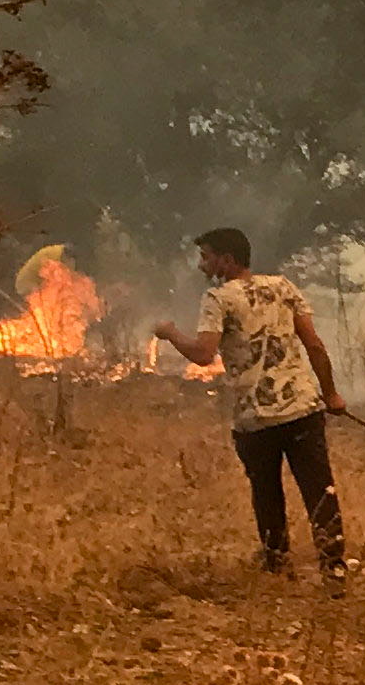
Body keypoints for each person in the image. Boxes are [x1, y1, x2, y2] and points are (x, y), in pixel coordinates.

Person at [149, 227, 350, 584]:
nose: (202, 265)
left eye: (206, 257)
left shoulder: (218, 299)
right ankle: (334, 567)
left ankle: (276, 564)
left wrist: (169, 333)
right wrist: (331, 394)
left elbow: (203, 353)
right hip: (303, 409)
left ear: (226, 260)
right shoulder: (283, 287)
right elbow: (315, 346)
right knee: (320, 489)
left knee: (267, 492)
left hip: (256, 420)